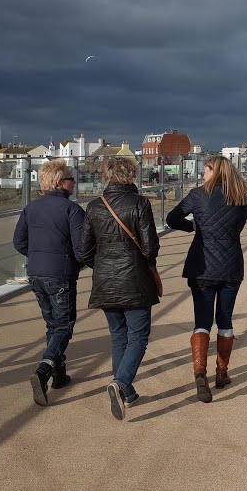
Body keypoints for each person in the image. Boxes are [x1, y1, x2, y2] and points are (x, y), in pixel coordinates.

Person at [81, 157, 160, 421]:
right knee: (138, 336)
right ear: (131, 175)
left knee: (118, 336)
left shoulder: (94, 207)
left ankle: (126, 394)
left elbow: (83, 251)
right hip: (134, 278)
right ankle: (121, 383)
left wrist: (102, 265)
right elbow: (150, 247)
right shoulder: (140, 203)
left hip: (104, 280)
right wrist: (142, 264)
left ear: (106, 176)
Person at [166, 156, 247, 403]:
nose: (203, 174)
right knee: (225, 318)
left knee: (202, 320)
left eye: (205, 169)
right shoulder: (240, 195)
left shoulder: (198, 195)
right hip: (232, 265)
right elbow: (238, 227)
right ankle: (221, 373)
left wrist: (193, 227)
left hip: (201, 265)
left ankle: (199, 373)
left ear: (214, 170)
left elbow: (171, 218)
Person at [13, 158, 85, 406]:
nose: (73, 181)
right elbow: (81, 247)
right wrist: (79, 263)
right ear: (59, 182)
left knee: (52, 324)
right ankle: (44, 370)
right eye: (70, 178)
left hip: (35, 273)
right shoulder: (72, 210)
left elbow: (19, 242)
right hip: (61, 274)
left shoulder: (30, 208)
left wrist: (36, 257)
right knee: (64, 325)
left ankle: (59, 375)